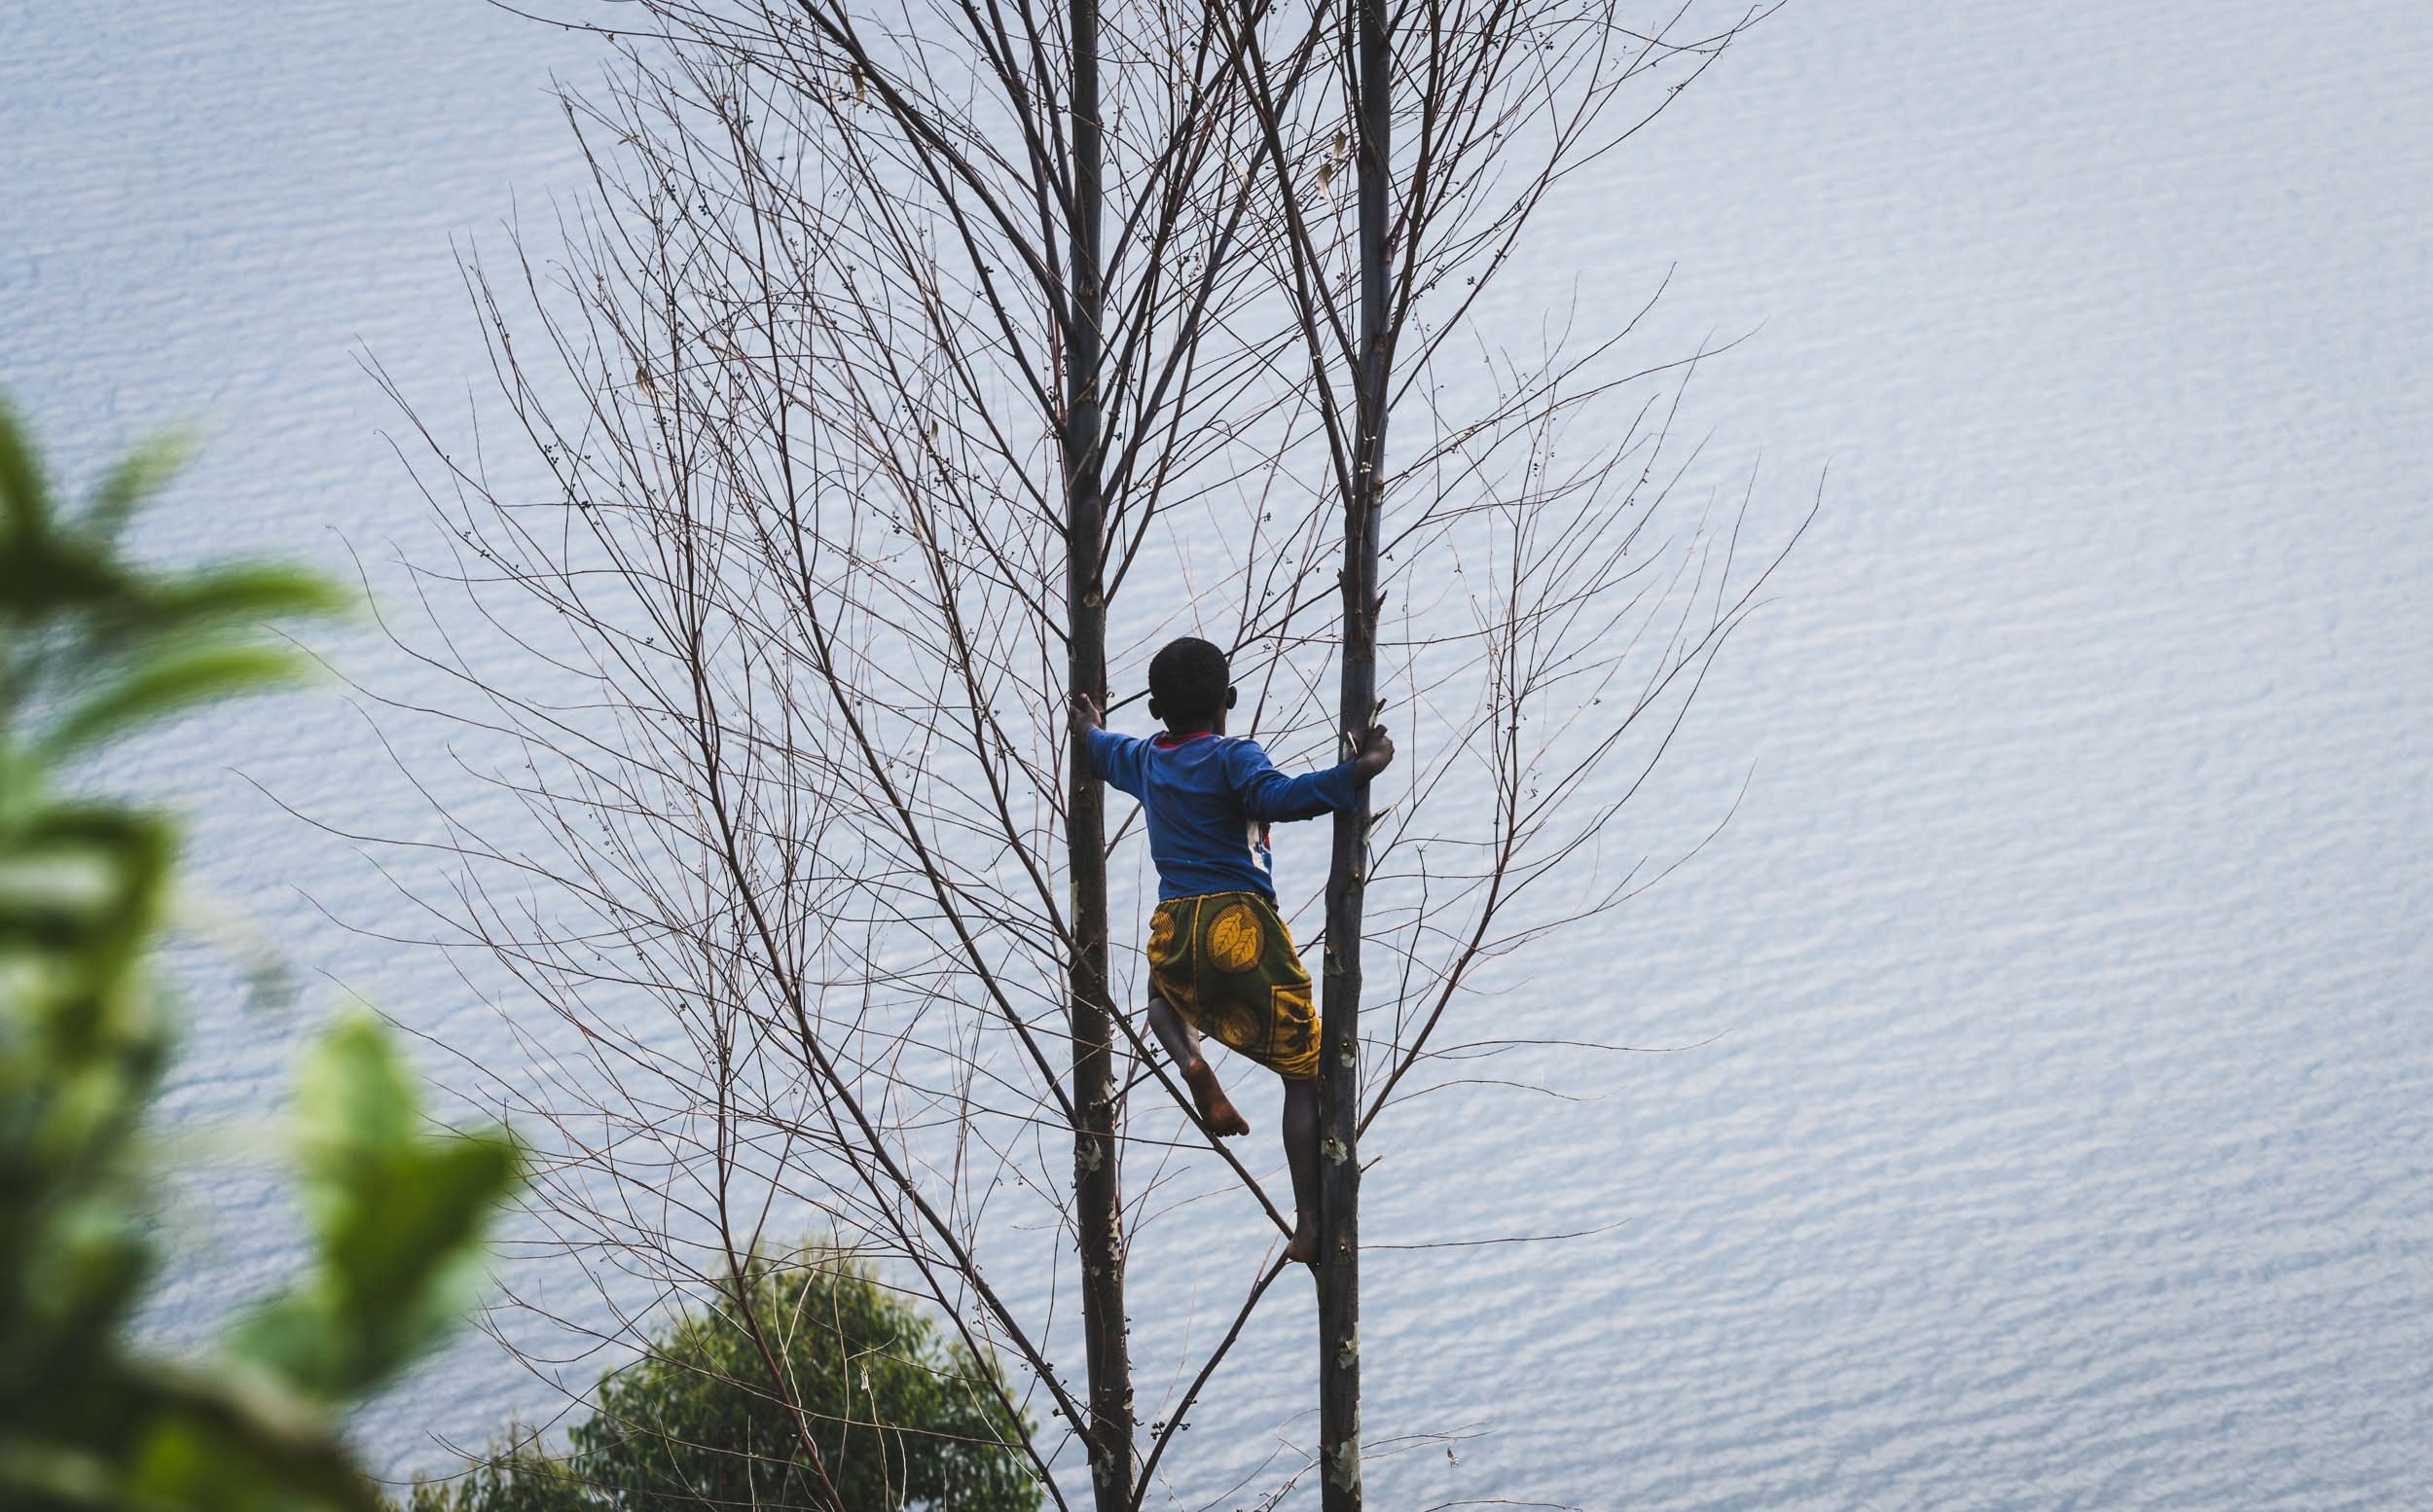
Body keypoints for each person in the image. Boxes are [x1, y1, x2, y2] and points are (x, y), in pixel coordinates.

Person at [1073, 635, 1393, 1263]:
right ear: (1230, 700)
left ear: (1158, 712)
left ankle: (1194, 1065)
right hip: (1240, 924)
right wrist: (1361, 770)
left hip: (1177, 927)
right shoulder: (1234, 756)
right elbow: (1282, 798)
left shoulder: (1145, 759)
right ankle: (1308, 1223)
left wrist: (1086, 725)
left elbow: (1099, 749)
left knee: (1161, 1003)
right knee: (1305, 1075)